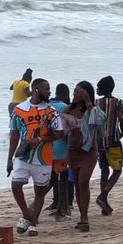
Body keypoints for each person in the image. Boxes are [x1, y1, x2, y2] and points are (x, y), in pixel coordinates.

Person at [7, 78, 63, 237]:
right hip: (23, 156)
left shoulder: (51, 111)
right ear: (36, 90)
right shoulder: (19, 109)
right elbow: (14, 134)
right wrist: (9, 158)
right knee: (16, 186)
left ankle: (33, 223)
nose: (49, 92)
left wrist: (41, 139)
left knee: (40, 192)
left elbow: (60, 132)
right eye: (46, 89)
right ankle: (26, 215)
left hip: (44, 158)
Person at [62, 81, 105, 232]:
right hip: (73, 151)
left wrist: (88, 102)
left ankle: (84, 218)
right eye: (74, 92)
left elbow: (99, 124)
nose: (74, 94)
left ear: (86, 93)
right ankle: (82, 215)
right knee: (77, 185)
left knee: (83, 182)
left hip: (89, 151)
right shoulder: (68, 109)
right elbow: (63, 132)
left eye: (77, 92)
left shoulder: (93, 110)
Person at [95, 76, 123, 216]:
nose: (96, 89)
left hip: (99, 142)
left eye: (98, 87)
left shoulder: (95, 103)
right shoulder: (119, 103)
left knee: (104, 171)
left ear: (102, 89)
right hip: (114, 142)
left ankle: (104, 204)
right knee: (117, 170)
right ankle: (103, 197)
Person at [48, 83, 72, 222]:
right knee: (63, 180)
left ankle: (54, 205)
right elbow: (66, 130)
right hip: (61, 149)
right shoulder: (64, 107)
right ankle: (63, 209)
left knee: (49, 180)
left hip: (47, 149)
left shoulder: (47, 106)